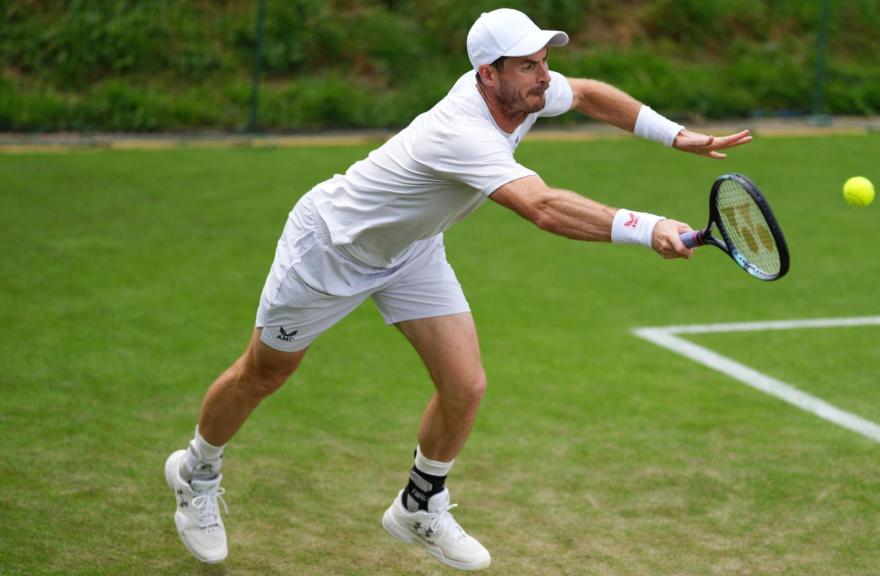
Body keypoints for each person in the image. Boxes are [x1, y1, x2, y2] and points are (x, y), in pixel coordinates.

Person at [164, 7, 752, 571]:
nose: (543, 75)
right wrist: (648, 228)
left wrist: (675, 136)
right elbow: (543, 209)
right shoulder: (460, 130)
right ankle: (196, 472)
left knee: (465, 385)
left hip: (413, 249)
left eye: (544, 60)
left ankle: (419, 504)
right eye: (527, 65)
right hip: (330, 249)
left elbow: (593, 94)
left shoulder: (527, 94)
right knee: (265, 373)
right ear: (487, 74)